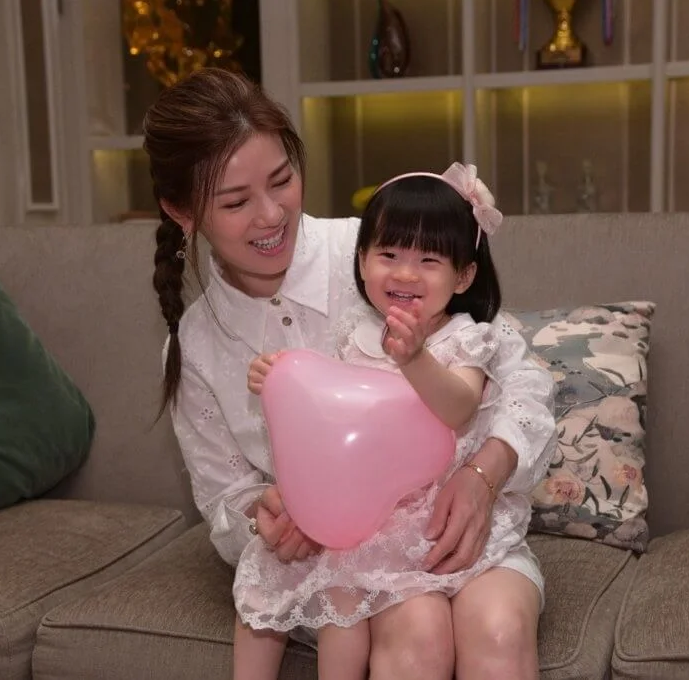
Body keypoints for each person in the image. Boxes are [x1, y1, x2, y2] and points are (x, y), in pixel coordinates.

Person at [145, 67, 557, 680]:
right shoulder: (197, 346)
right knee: (416, 640)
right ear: (182, 211)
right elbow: (225, 500)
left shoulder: (380, 253)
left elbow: (518, 373)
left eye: (282, 180)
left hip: (461, 526)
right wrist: (267, 514)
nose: (271, 215)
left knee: (497, 628)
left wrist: (483, 474)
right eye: (235, 202)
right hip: (353, 564)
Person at [235, 163, 549, 680]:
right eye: (388, 255)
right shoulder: (353, 334)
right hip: (384, 534)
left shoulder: (466, 337)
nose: (405, 273)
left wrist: (416, 359)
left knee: (498, 630)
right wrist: (276, 377)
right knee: (406, 636)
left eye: (429, 260)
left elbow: (458, 408)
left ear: (464, 276)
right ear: (361, 262)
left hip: (459, 530)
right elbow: (332, 421)